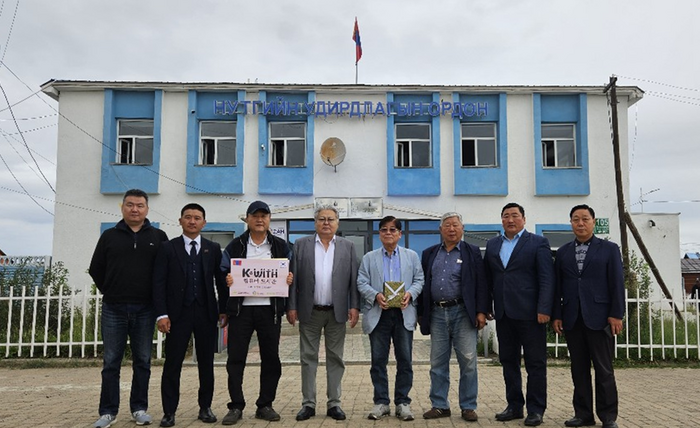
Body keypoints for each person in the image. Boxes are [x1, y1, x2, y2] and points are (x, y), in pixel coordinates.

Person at [89, 189, 169, 428]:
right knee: (111, 362)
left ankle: (139, 408)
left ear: (147, 209)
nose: (135, 209)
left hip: (145, 309)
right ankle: (107, 412)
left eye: (140, 205)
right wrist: (111, 290)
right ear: (122, 207)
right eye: (130, 205)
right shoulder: (109, 236)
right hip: (114, 308)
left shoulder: (159, 236)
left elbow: (164, 273)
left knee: (143, 360)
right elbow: (96, 269)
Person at [152, 203, 228, 427]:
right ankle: (169, 412)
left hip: (205, 313)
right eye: (188, 217)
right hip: (177, 315)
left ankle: (205, 407)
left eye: (197, 218)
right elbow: (158, 283)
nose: (192, 221)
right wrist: (161, 314)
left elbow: (220, 281)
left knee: (206, 363)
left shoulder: (213, 249)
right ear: (180, 221)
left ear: (204, 222)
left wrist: (223, 309)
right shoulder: (168, 248)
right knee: (173, 363)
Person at [219, 201, 293, 425]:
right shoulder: (235, 246)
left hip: (270, 311)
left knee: (271, 358)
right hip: (241, 311)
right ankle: (236, 405)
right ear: (247, 219)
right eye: (255, 215)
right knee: (235, 358)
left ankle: (265, 404)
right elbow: (222, 272)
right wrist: (227, 280)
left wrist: (289, 279)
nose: (260, 219)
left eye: (264, 215)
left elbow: (291, 272)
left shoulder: (282, 246)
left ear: (269, 219)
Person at [483, 202, 555, 427]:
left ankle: (535, 409)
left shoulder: (538, 243)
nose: (510, 220)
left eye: (515, 215)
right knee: (508, 361)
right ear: (501, 219)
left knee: (535, 363)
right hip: (504, 314)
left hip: (532, 314)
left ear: (523, 218)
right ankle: (514, 406)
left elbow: (546, 278)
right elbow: (488, 279)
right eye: (506, 216)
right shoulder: (493, 245)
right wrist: (487, 307)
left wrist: (544, 309)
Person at [552, 204, 624, 428]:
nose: (580, 223)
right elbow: (557, 287)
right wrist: (557, 315)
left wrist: (616, 314)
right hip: (572, 319)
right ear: (571, 223)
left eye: (584, 219)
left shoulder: (609, 249)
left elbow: (617, 284)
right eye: (575, 219)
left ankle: (608, 416)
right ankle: (583, 414)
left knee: (604, 370)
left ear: (593, 221)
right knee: (579, 370)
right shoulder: (563, 252)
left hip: (600, 318)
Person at [287, 204, 360, 421]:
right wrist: (291, 306)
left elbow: (353, 280)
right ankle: (308, 404)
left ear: (337, 223)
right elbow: (294, 279)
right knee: (308, 358)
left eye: (330, 219)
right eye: (321, 219)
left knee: (335, 358)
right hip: (309, 311)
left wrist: (354, 306)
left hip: (337, 312)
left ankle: (334, 404)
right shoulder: (301, 245)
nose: (326, 223)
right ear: (315, 223)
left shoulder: (348, 246)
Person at [417, 212, 488, 422]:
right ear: (440, 230)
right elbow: (423, 285)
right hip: (437, 313)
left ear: (462, 228)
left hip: (463, 312)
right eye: (447, 225)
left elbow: (481, 283)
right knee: (438, 362)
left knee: (468, 360)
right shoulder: (429, 253)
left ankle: (468, 406)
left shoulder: (472, 252)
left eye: (455, 225)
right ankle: (440, 405)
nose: (451, 229)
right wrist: (422, 313)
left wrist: (481, 311)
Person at [357, 216, 424, 421]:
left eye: (393, 230)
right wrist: (375, 295)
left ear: (399, 234)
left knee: (405, 360)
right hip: (379, 313)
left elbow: (419, 279)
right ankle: (381, 402)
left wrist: (410, 293)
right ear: (379, 233)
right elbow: (361, 281)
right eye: (384, 229)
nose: (388, 233)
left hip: (403, 313)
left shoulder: (411, 256)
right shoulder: (369, 257)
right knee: (378, 361)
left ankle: (403, 402)